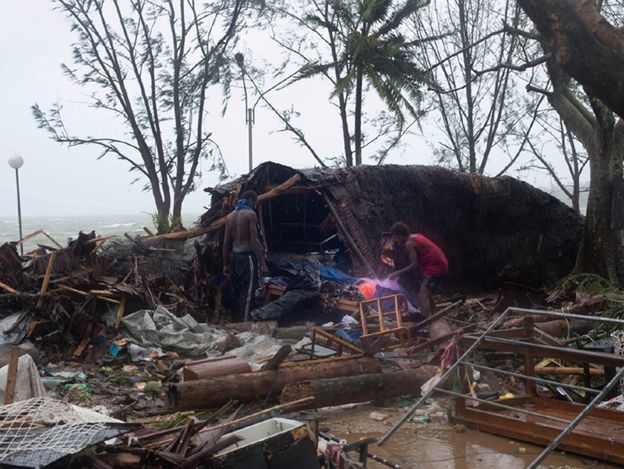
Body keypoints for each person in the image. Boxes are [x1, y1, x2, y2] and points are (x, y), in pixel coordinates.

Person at [223, 190, 268, 322]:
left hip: (233, 257)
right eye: (256, 203)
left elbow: (226, 243)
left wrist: (226, 264)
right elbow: (254, 241)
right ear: (252, 201)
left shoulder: (230, 217)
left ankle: (234, 321)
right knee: (247, 291)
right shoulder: (250, 214)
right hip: (247, 257)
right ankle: (243, 323)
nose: (255, 205)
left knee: (236, 290)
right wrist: (262, 263)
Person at [387, 222, 448, 317]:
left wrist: (397, 273)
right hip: (440, 263)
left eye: (396, 238)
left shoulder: (409, 244)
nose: (397, 241)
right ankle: (435, 313)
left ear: (401, 235)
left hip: (435, 268)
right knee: (426, 290)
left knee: (422, 295)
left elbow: (414, 265)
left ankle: (425, 322)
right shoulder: (416, 236)